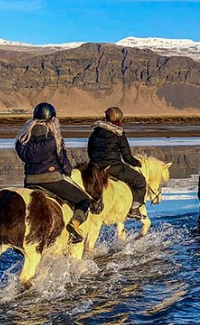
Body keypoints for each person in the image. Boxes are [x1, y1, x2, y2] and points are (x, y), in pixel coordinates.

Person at [14, 102, 95, 244]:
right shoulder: (54, 139)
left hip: (30, 181)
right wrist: (67, 171)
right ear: (52, 119)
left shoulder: (22, 140)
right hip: (51, 180)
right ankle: (74, 225)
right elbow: (63, 161)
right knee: (84, 200)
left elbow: (26, 157)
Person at [87, 107, 147, 220]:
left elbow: (90, 152)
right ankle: (134, 209)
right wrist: (137, 163)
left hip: (94, 168)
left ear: (106, 117)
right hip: (113, 168)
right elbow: (127, 157)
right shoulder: (119, 134)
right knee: (140, 181)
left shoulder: (95, 132)